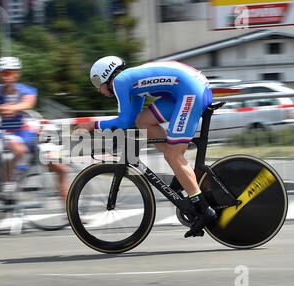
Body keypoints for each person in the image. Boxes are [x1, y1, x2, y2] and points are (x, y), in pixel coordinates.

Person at [75, 56, 216, 238]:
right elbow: (133, 119)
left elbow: (124, 121)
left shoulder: (120, 81)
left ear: (106, 76)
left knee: (174, 156)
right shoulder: (131, 83)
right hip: (187, 88)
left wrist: (91, 125)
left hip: (190, 92)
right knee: (144, 121)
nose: (97, 89)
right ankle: (182, 172)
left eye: (96, 82)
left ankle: (203, 209)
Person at [0, 56, 69, 202]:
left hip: (28, 134)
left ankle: (70, 212)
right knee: (20, 150)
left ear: (17, 74)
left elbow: (28, 103)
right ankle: (7, 187)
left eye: (10, 73)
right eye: (2, 73)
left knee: (61, 169)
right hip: (8, 133)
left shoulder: (26, 89)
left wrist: (13, 108)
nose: (6, 77)